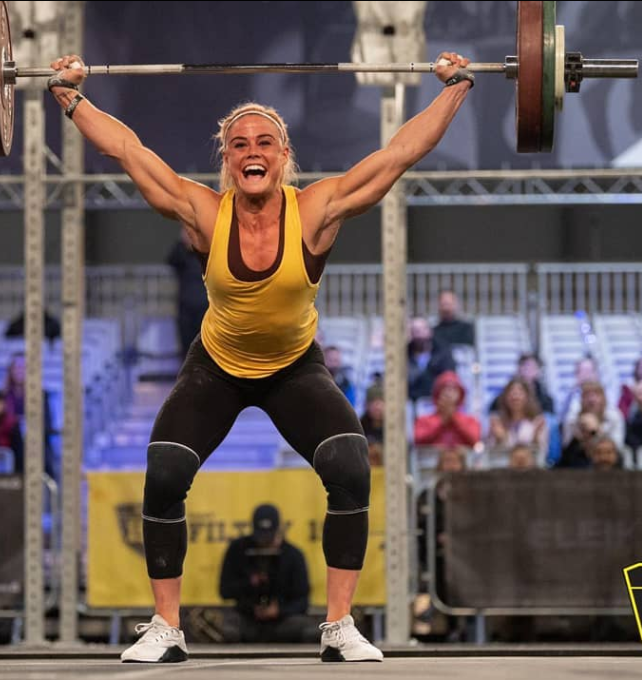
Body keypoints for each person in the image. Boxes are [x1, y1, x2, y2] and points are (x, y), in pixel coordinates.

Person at [47, 47, 474, 663]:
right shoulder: (203, 211)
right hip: (216, 367)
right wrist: (71, 96)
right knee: (164, 473)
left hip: (294, 368)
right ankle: (166, 627)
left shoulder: (316, 210)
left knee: (352, 466)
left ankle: (339, 626)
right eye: (240, 143)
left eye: (265, 142)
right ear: (227, 158)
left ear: (283, 156)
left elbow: (398, 154)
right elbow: (129, 151)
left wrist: (456, 88)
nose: (252, 151)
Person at [219, 504, 314, 643]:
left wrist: (279, 611)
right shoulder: (237, 550)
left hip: (283, 622)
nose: (264, 541)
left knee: (308, 629)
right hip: (247, 619)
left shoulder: (293, 555)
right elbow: (225, 591)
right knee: (227, 628)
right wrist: (250, 584)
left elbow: (302, 601)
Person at [168, 228, 210, 358]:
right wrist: (183, 243)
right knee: (187, 351)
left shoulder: (208, 254)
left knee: (207, 351)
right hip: (186, 311)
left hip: (207, 310)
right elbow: (171, 260)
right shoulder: (182, 255)